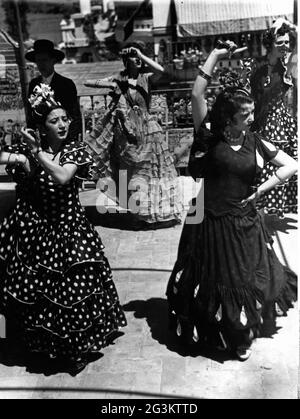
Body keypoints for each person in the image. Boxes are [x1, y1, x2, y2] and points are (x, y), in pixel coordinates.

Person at [166, 41, 297, 361]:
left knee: (245, 276)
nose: (252, 119)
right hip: (208, 220)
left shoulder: (254, 140)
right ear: (229, 117)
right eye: (247, 115)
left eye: (253, 113)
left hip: (243, 219)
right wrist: (216, 56)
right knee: (213, 278)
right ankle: (225, 330)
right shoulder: (210, 136)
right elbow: (197, 94)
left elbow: (292, 165)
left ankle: (242, 332)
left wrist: (260, 190)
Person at [0, 84, 126, 375]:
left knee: (72, 293)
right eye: (54, 120)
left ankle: (74, 349)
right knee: (42, 294)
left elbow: (61, 176)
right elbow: (12, 162)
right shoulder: (31, 153)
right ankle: (45, 343)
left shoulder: (75, 149)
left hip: (71, 232)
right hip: (38, 234)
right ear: (42, 127)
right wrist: (22, 154)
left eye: (64, 119)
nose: (62, 124)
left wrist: (35, 153)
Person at [84, 42, 183, 229]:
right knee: (131, 173)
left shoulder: (146, 78)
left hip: (148, 132)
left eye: (139, 56)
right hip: (127, 133)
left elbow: (161, 70)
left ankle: (154, 213)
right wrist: (113, 83)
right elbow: (87, 82)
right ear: (125, 60)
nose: (137, 59)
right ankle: (138, 212)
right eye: (133, 56)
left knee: (153, 172)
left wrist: (140, 53)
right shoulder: (119, 78)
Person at [249, 18, 297, 218]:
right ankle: (260, 216)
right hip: (261, 122)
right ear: (270, 44)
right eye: (280, 42)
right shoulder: (257, 67)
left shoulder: (286, 65)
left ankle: (269, 214)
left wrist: (293, 28)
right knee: (263, 169)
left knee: (281, 168)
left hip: (281, 124)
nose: (285, 46)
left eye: (287, 42)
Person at [26, 39, 82, 140]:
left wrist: (69, 140)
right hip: (42, 139)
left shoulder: (66, 84)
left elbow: (74, 115)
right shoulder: (34, 84)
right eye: (38, 61)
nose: (41, 64)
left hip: (63, 137)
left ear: (53, 61)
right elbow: (31, 114)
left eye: (45, 60)